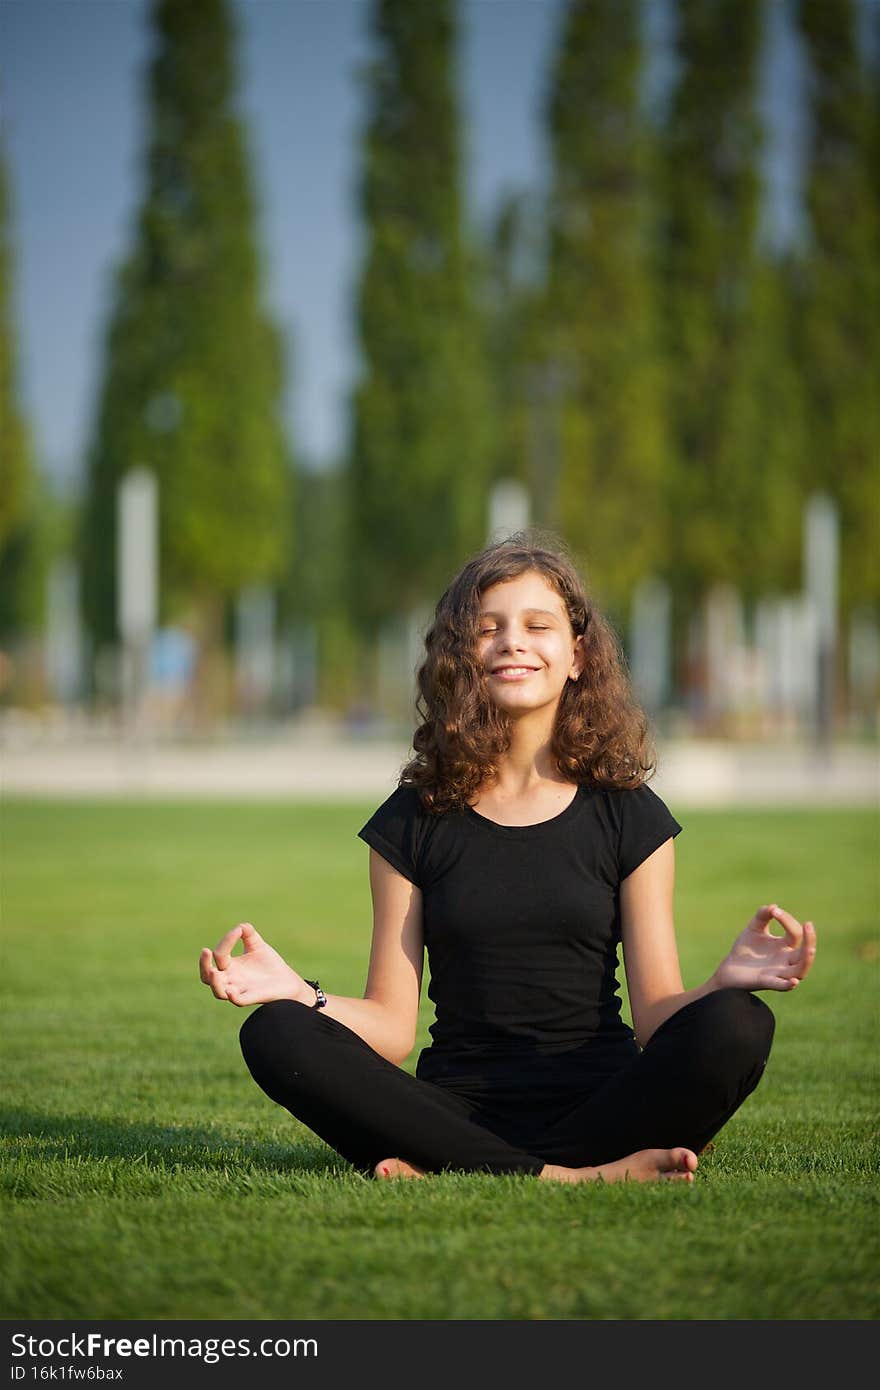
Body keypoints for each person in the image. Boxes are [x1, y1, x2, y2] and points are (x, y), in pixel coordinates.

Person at [199, 535, 816, 1185]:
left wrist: (724, 983)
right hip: (453, 1111)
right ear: (461, 656)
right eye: (488, 628)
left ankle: (457, 1169)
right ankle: (565, 1175)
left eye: (537, 625)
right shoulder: (414, 817)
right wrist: (299, 993)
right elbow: (391, 1026)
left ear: (576, 656)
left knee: (740, 1024)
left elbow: (657, 1017)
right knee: (275, 1034)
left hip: (600, 1107)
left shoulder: (628, 813)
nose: (512, 642)